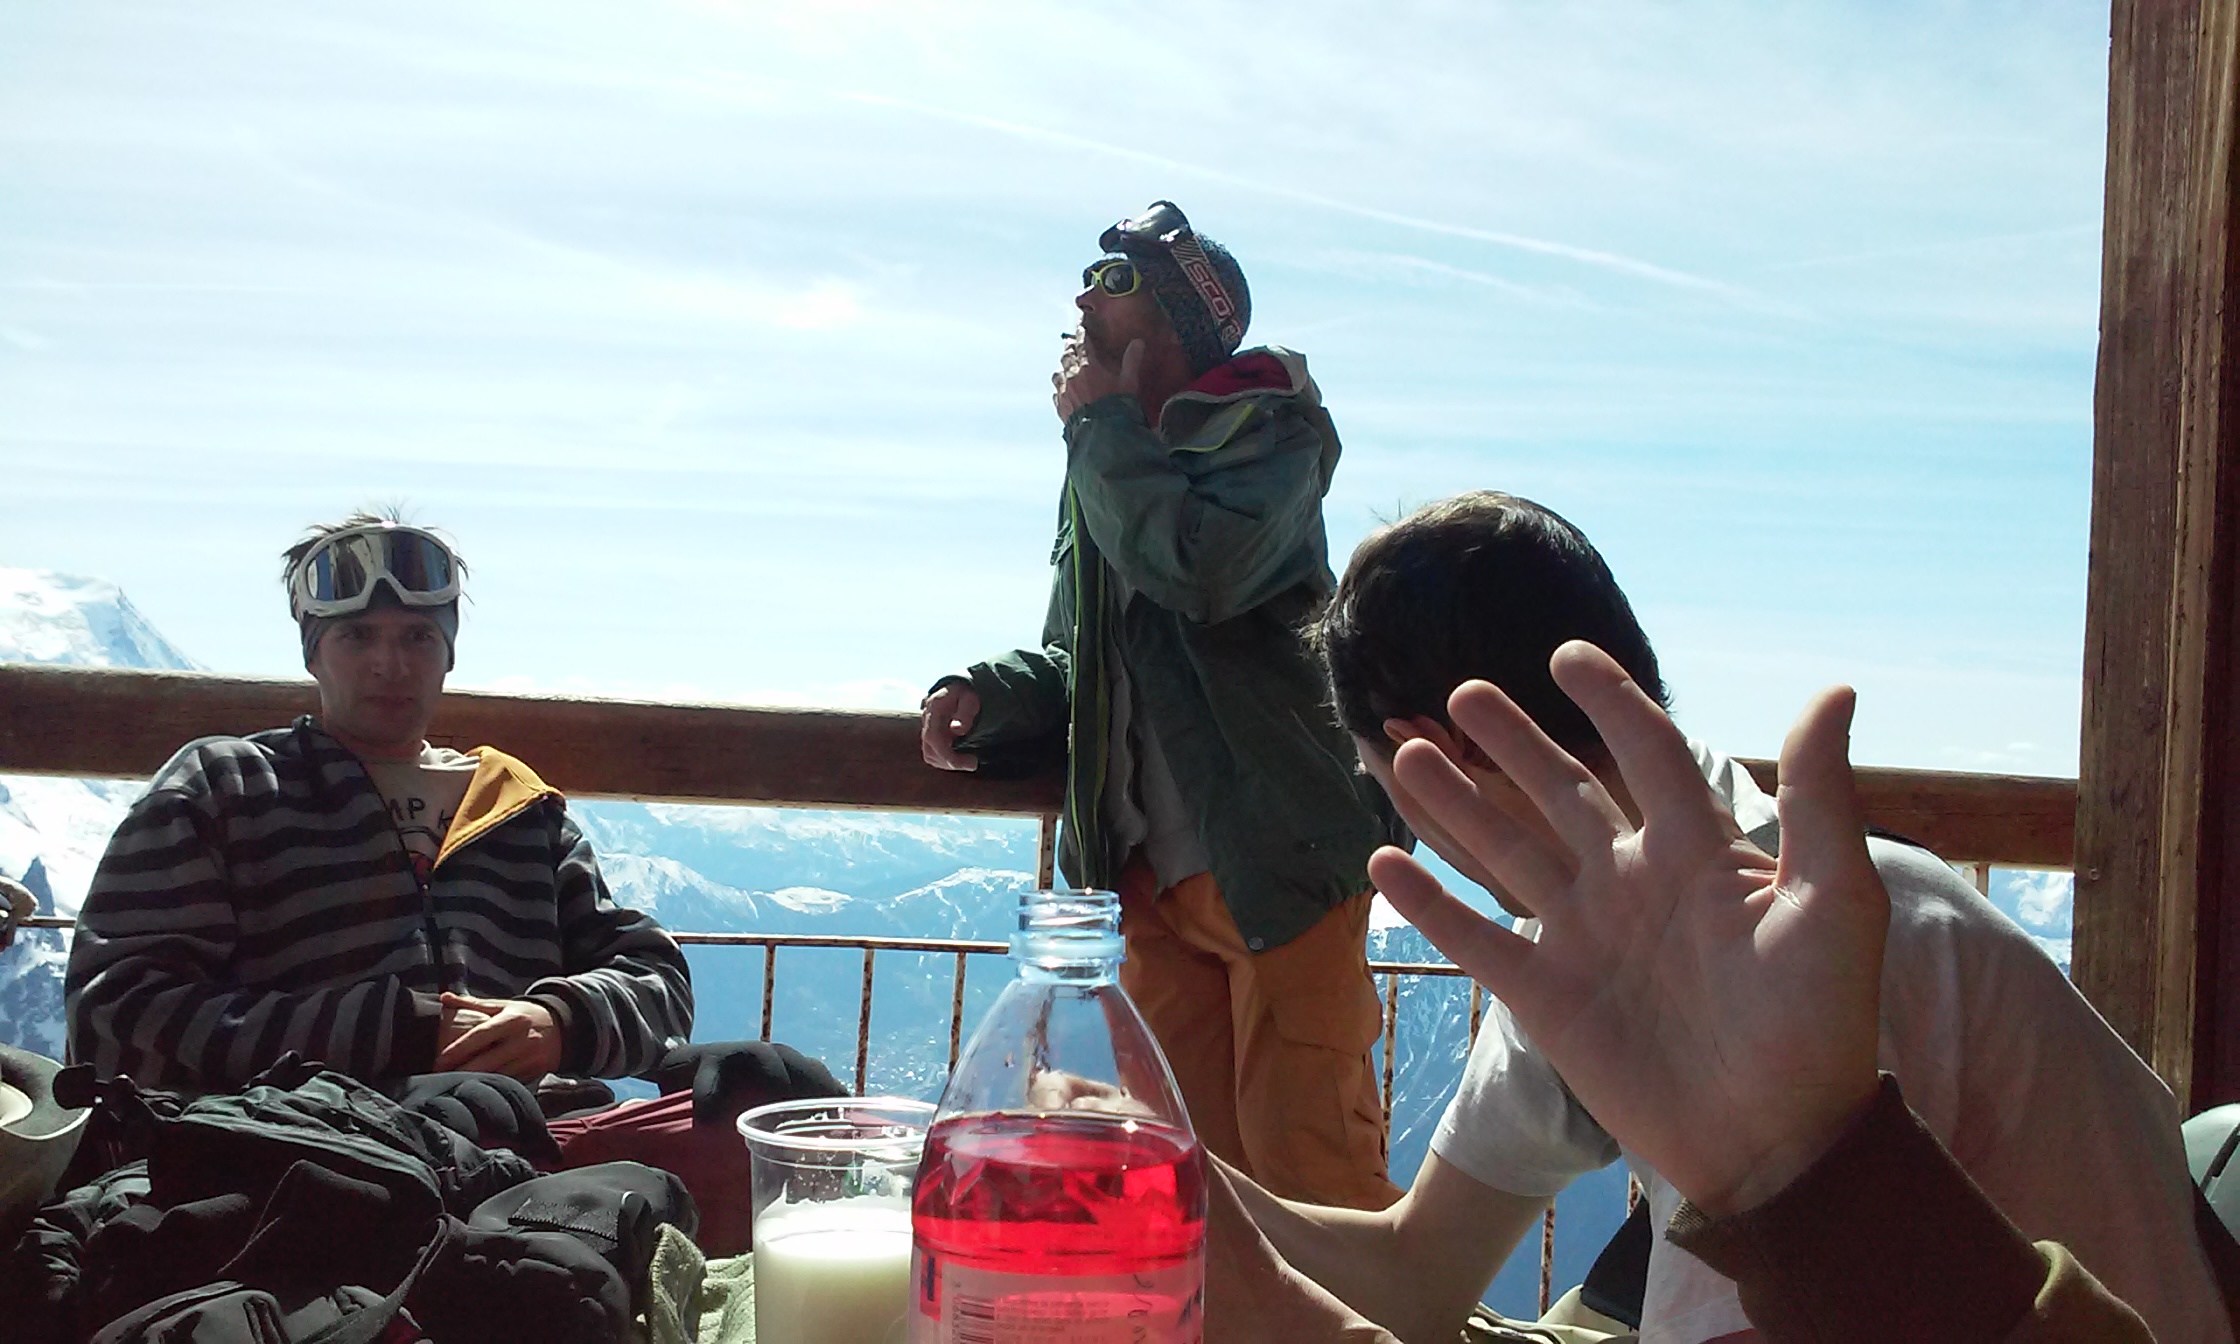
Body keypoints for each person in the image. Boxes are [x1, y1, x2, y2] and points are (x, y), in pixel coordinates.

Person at [1206, 491, 2225, 1343]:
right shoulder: (1616, 944)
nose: (1412, 835)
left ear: (1444, 752)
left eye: (1384, 786)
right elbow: (1416, 1274)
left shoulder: (1848, 949)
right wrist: (1163, 1171)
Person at [919, 201, 1404, 1208]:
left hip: (1279, 859)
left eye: (1117, 285)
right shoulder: (1102, 459)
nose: (1084, 303)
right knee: (1187, 1179)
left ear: (1181, 321)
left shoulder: (1268, 433)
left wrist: (1096, 429)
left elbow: (1199, 570)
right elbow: (1078, 653)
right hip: (1146, 885)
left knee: (1311, 1170)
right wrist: (989, 693)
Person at [64, 512, 693, 1092]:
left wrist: (559, 1023)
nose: (389, 664)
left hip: (522, 1151)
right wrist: (396, 1034)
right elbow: (119, 1008)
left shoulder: (519, 809)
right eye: (357, 636)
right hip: (297, 1153)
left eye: (418, 637)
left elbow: (656, 978)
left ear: (448, 653)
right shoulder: (226, 790)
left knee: (761, 1094)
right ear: (314, 654)